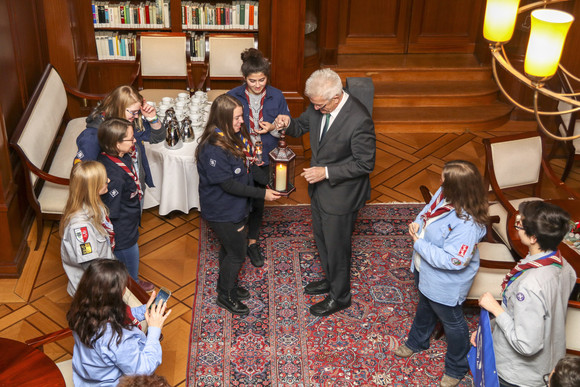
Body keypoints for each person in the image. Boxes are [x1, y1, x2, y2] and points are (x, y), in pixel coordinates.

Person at [273, 68, 376, 317]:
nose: (316, 109)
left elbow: (365, 163)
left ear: (337, 97)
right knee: (322, 239)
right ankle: (331, 281)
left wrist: (326, 172)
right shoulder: (320, 103)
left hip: (342, 195)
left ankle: (340, 297)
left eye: (320, 106)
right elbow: (300, 126)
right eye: (314, 105)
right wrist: (287, 123)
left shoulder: (359, 120)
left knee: (338, 247)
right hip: (319, 190)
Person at [394, 160, 489, 387]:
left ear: (458, 187)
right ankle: (417, 342)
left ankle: (456, 368)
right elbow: (428, 212)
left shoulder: (467, 224)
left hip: (445, 281)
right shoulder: (446, 194)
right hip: (424, 268)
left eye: (444, 179)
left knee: (453, 322)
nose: (440, 182)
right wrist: (417, 223)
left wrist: (418, 244)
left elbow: (453, 260)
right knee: (425, 304)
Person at [196, 94, 281, 316]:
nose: (241, 121)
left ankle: (228, 284)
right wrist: (262, 194)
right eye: (236, 118)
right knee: (237, 253)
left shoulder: (231, 136)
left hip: (236, 206)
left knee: (229, 247)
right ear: (222, 118)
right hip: (222, 210)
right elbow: (228, 185)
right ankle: (224, 295)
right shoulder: (213, 148)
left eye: (241, 116)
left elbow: (245, 168)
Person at [477, 201, 576, 387]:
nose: (517, 226)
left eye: (520, 224)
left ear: (533, 238)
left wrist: (495, 309)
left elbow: (526, 345)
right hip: (550, 358)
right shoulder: (565, 266)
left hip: (518, 373)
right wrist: (490, 330)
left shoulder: (530, 285)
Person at [227, 48, 291, 267]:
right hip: (240, 158)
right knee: (238, 199)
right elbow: (225, 128)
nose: (257, 85)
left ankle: (252, 242)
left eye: (261, 80)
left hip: (265, 157)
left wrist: (274, 126)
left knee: (258, 200)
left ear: (267, 77)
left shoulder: (278, 95)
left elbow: (286, 125)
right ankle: (236, 241)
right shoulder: (232, 96)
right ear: (244, 78)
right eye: (252, 80)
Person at [67, 259, 171, 386]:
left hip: (85, 378)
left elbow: (117, 317)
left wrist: (144, 310)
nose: (125, 289)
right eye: (123, 286)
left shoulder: (82, 309)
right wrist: (154, 329)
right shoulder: (116, 339)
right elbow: (143, 370)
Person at [74, 85, 164, 193]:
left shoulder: (129, 123)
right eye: (133, 112)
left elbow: (158, 137)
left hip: (135, 188)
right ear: (119, 107)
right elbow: (82, 172)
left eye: (137, 112)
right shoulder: (94, 135)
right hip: (114, 195)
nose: (136, 116)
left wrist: (152, 118)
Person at [97, 118, 153, 291]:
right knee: (127, 267)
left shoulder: (119, 156)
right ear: (116, 144)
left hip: (130, 221)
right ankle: (132, 286)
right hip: (123, 233)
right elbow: (111, 213)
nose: (135, 140)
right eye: (130, 139)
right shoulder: (113, 178)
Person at [60, 160, 115, 296]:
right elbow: (92, 267)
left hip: (105, 274)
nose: (108, 180)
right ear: (92, 187)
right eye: (103, 180)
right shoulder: (80, 228)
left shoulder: (95, 205)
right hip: (95, 291)